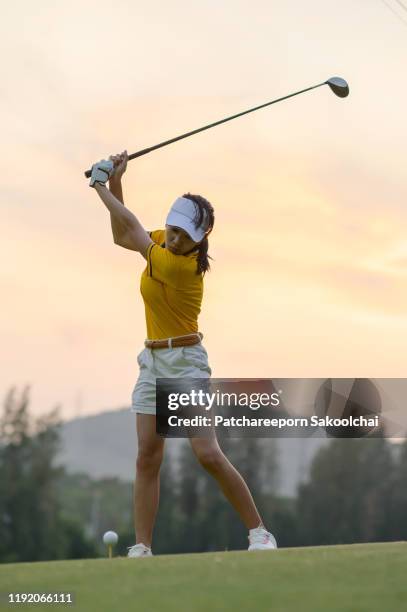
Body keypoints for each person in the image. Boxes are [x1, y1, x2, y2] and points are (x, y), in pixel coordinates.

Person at [89, 152, 277, 557]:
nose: (174, 239)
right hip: (152, 362)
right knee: (147, 456)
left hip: (186, 363)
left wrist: (101, 187)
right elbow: (123, 234)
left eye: (184, 236)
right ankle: (142, 546)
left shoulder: (181, 267)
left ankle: (260, 533)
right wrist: (117, 181)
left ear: (200, 239)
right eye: (173, 231)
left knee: (207, 453)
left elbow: (133, 230)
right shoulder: (162, 242)